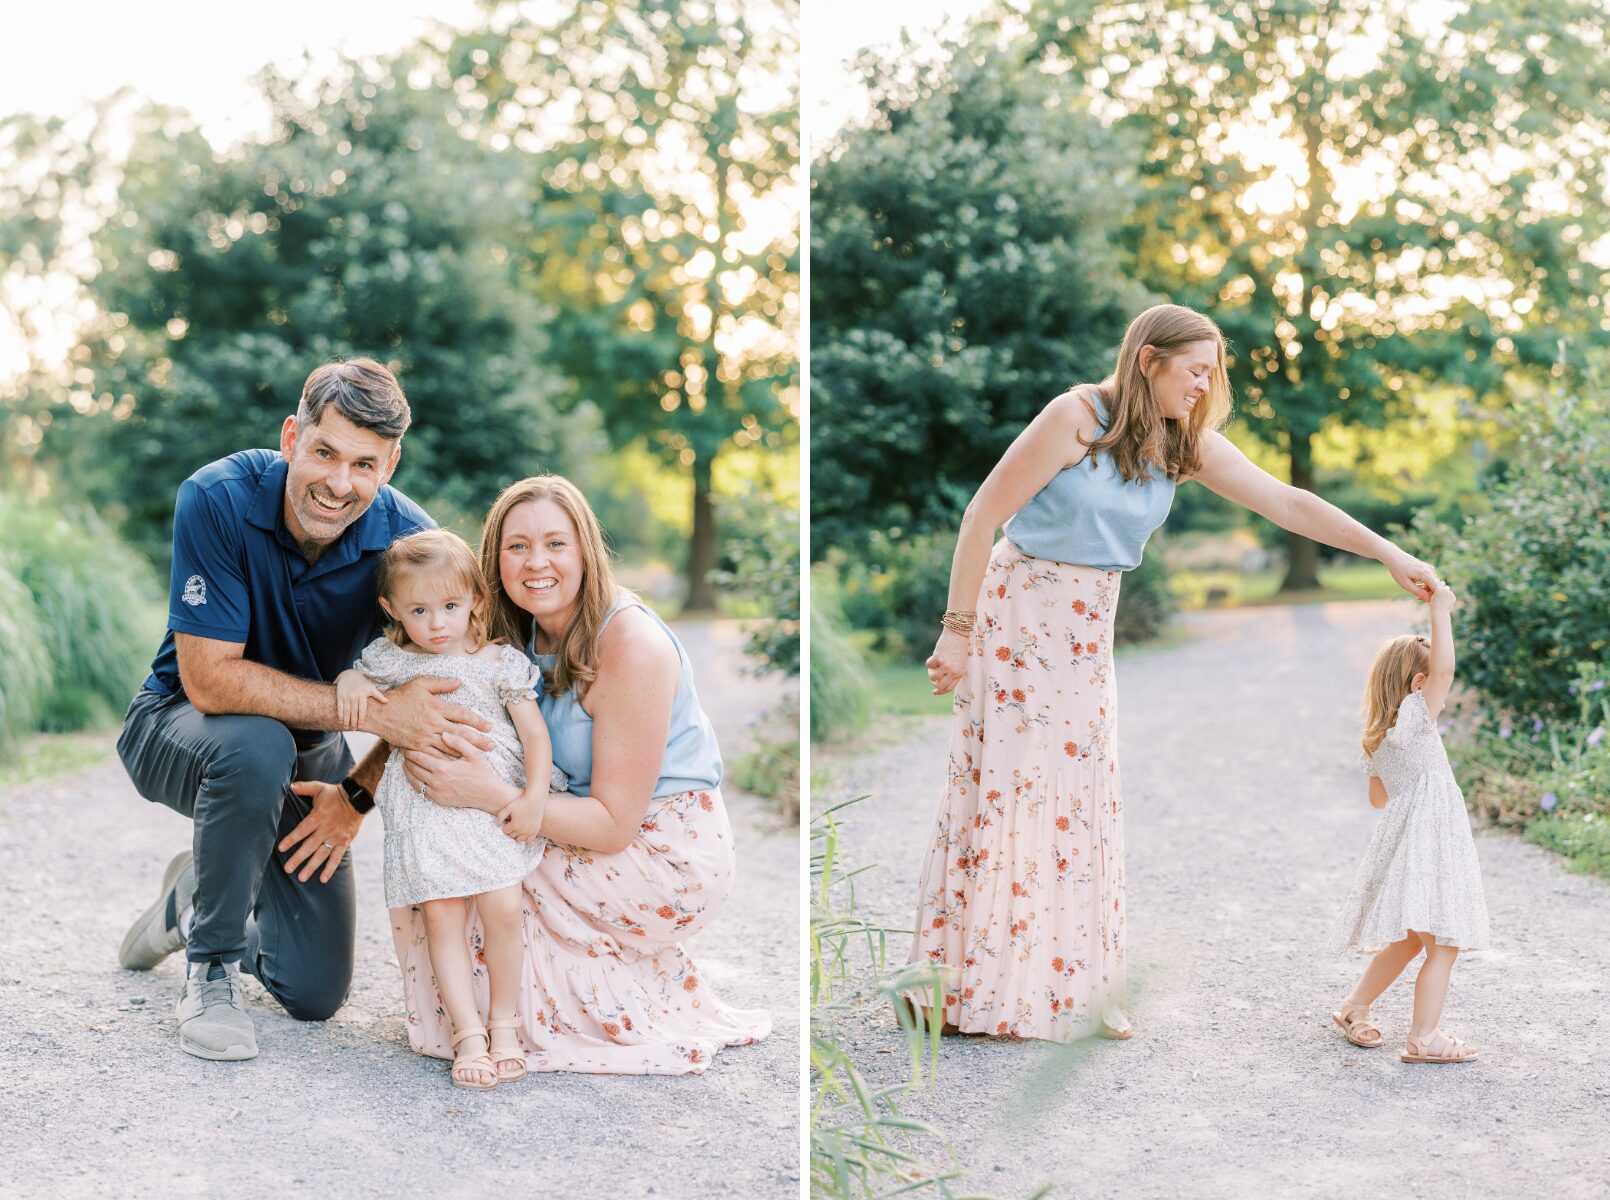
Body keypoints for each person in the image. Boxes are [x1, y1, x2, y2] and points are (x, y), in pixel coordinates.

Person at [913, 302, 1442, 1042]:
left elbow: (1289, 504)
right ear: (1147, 360)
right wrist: (957, 631)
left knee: (1079, 802)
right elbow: (981, 516)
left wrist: (1388, 552)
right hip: (1018, 618)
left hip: (1086, 630)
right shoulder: (1074, 417)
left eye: (1209, 374)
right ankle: (973, 986)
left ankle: (1075, 988)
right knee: (1010, 789)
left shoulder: (1182, 442)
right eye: (1194, 371)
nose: (1203, 386)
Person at [116, 358, 490, 1061]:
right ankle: (211, 968)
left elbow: (434, 697)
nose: (339, 483)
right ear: (292, 437)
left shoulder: (411, 545)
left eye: (364, 464)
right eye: (324, 453)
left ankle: (192, 903)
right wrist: (373, 717)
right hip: (176, 727)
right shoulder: (217, 497)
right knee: (256, 746)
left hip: (311, 754)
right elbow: (210, 683)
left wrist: (357, 794)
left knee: (314, 990)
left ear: (390, 465)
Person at [391, 475, 771, 1073]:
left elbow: (615, 825)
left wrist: (492, 796)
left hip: (660, 849)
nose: (535, 562)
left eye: (555, 544)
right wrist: (355, 794)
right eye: (517, 546)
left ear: (586, 551)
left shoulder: (630, 644)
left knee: (468, 861)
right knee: (436, 846)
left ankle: (507, 1024)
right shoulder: (508, 633)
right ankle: (490, 1017)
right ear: (494, 559)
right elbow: (421, 705)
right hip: (572, 816)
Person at [335, 528, 566, 1089]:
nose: (437, 623)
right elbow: (358, 676)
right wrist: (348, 679)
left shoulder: (498, 662)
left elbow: (535, 735)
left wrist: (535, 797)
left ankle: (504, 1024)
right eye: (419, 610)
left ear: (475, 600)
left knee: (503, 908)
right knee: (441, 916)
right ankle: (467, 1034)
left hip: (488, 802)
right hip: (426, 809)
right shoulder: (394, 660)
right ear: (392, 609)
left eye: (450, 607)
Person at [1327, 583, 1489, 1063]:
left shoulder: (1378, 736)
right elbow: (1446, 668)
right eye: (1432, 681)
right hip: (1430, 838)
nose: (1441, 687)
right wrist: (1440, 609)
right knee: (1443, 944)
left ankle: (1354, 1006)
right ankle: (1424, 1038)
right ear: (1419, 684)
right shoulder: (1417, 716)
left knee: (1409, 939)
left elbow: (1379, 798)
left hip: (1407, 839)